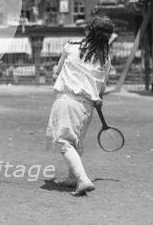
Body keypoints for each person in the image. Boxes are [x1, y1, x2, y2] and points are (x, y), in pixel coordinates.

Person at [46, 15, 114, 196]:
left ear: (88, 31)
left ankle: (83, 180)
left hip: (67, 101)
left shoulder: (71, 46)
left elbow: (57, 71)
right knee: (75, 142)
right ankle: (71, 179)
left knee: (64, 142)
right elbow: (102, 88)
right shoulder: (105, 57)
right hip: (88, 106)